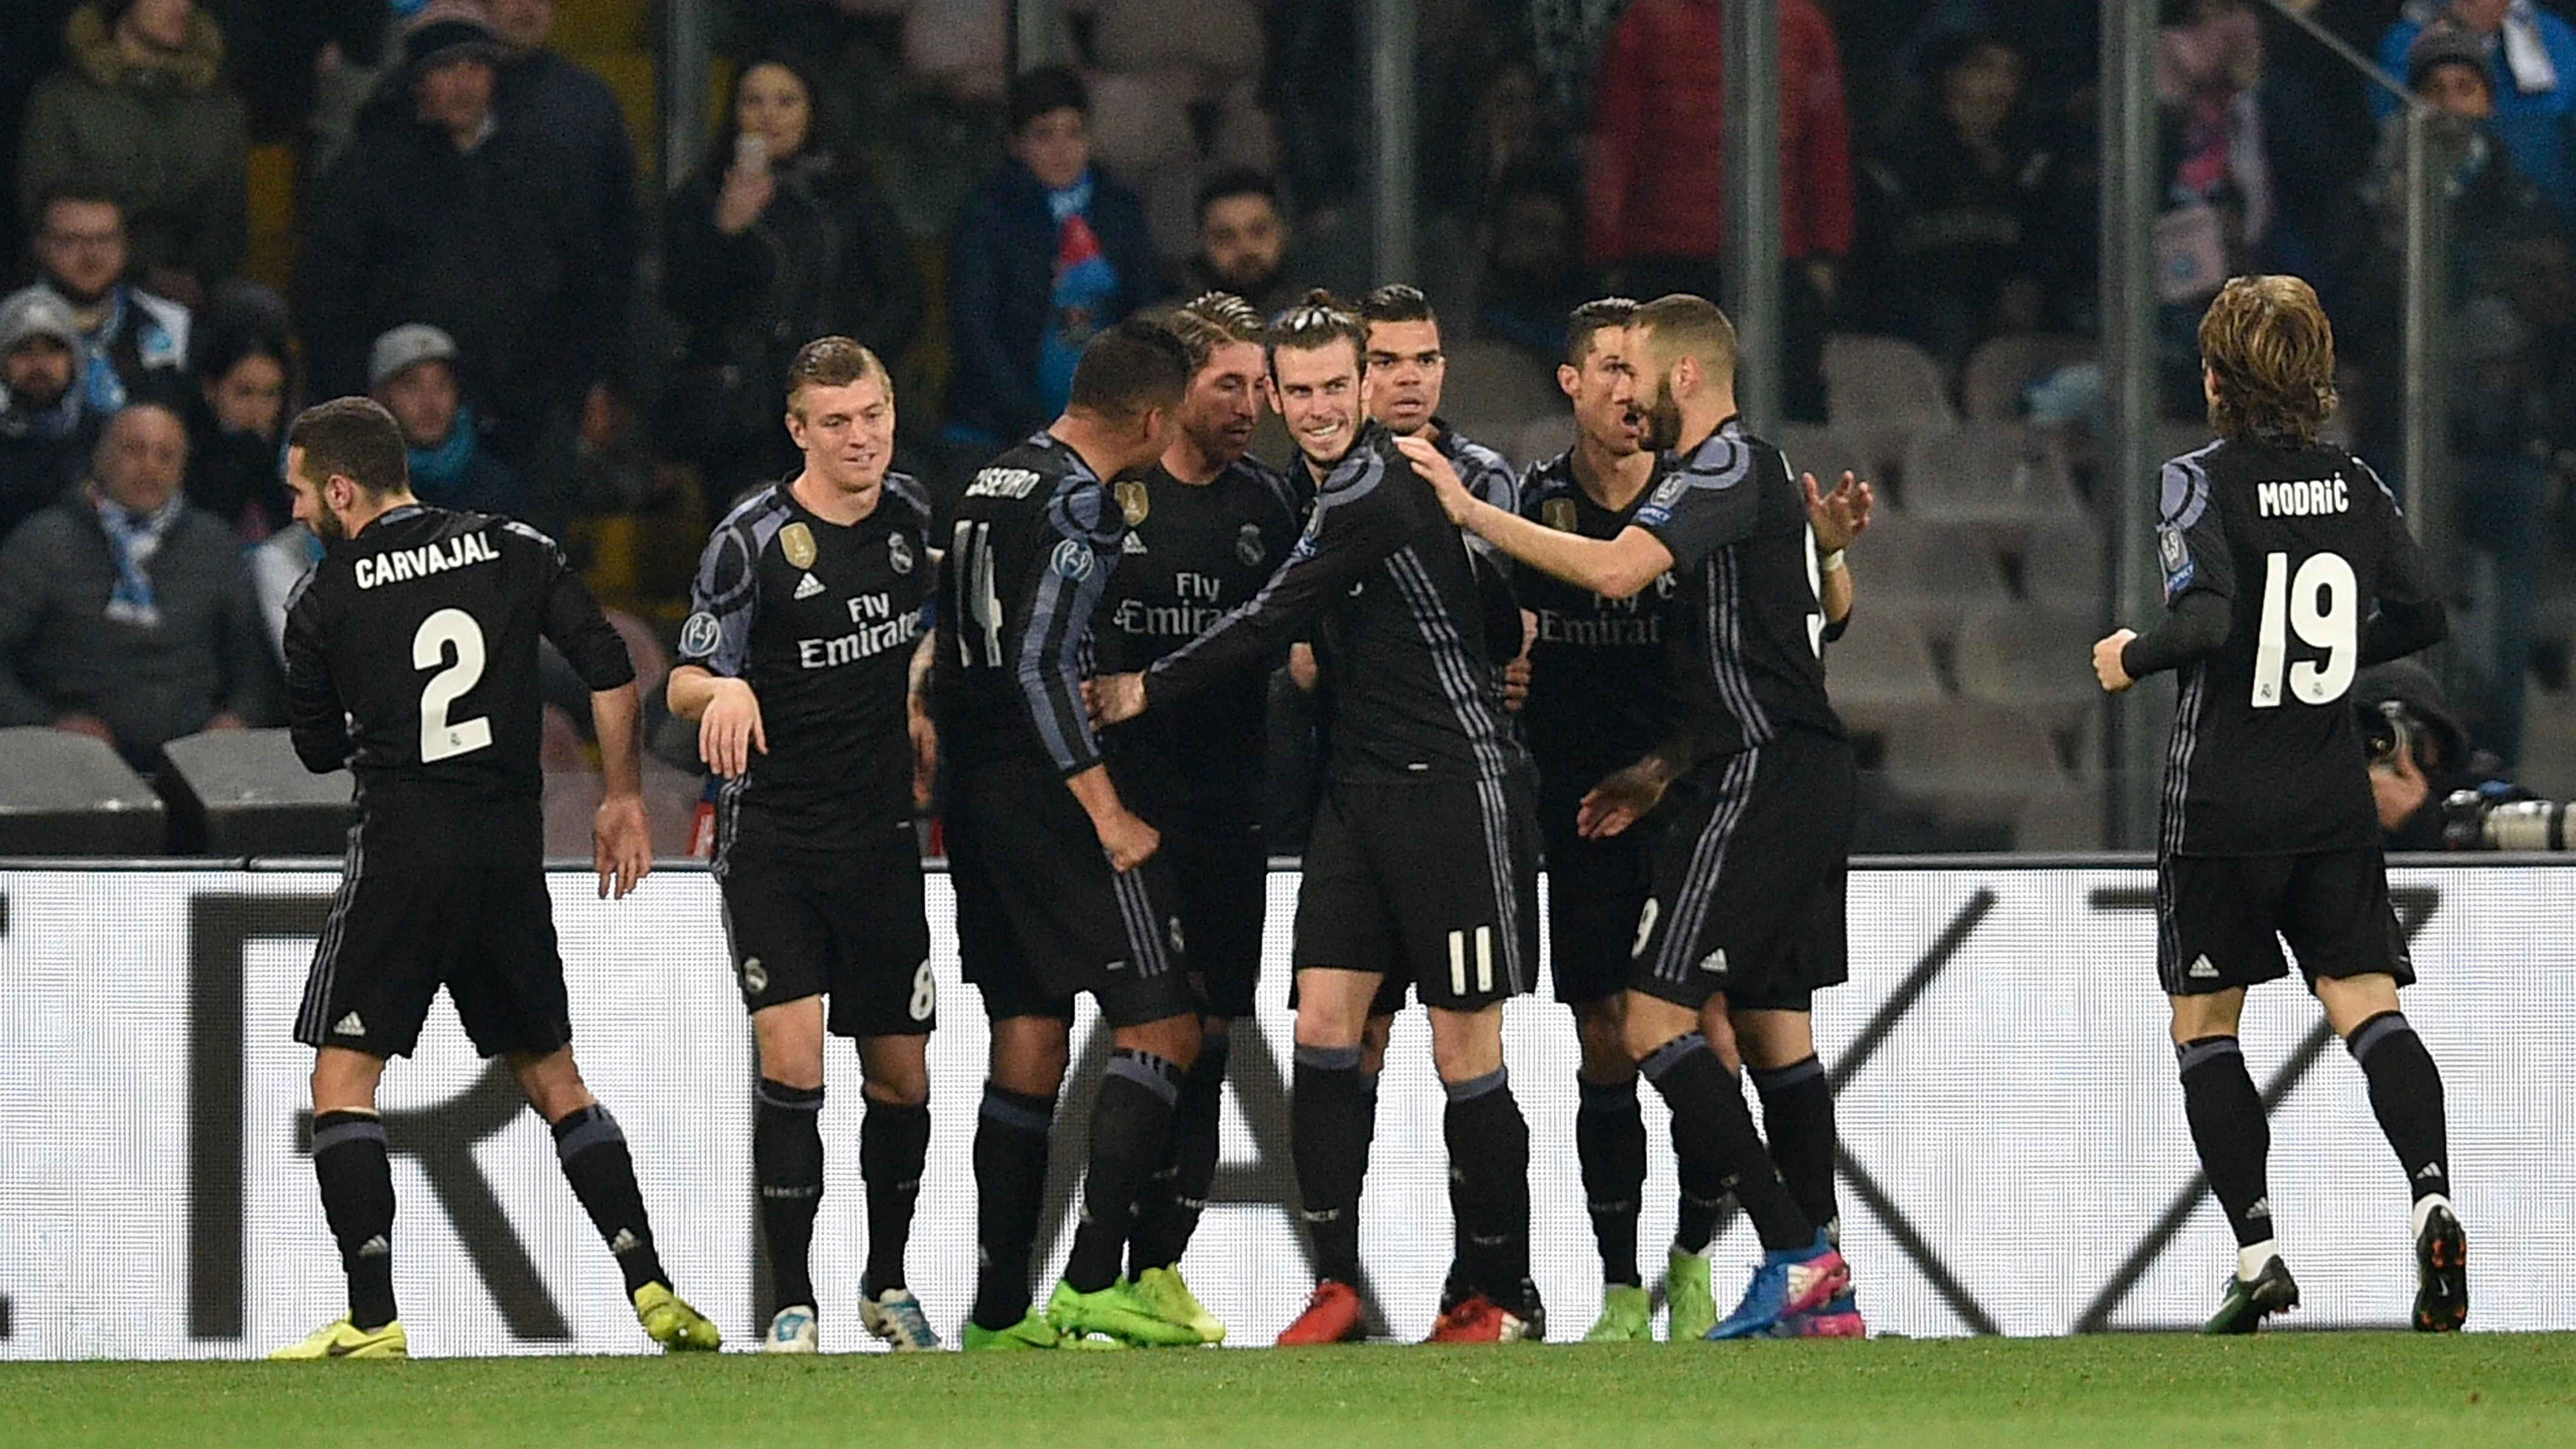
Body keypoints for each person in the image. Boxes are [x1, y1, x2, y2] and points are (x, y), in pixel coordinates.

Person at [1407, 293, 1865, 1340]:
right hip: (1765, 770)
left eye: (1641, 371)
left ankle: (1800, 1257)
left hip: (1758, 771)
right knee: (1687, 1024)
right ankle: (1809, 1277)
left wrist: (1468, 509)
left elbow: (1617, 572)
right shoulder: (1754, 474)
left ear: (1686, 378)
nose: (1629, 392)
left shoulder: (1717, 469)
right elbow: (1828, 611)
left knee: (1667, 1021)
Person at [1094, 293, 1545, 1345]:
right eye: (1293, 392)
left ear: (1363, 386)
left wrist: (1142, 690)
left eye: (1333, 386)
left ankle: (1500, 1291)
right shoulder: (1312, 490)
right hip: (1355, 792)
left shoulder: (1377, 484)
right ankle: (1336, 1285)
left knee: (1462, 1048)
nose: (1314, 408)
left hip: (1451, 787)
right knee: (1322, 1031)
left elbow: (1269, 620)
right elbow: (1482, 613)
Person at [268, 396, 719, 1359]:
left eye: (305, 494)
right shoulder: (514, 546)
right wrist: (624, 797)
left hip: (403, 854)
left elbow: (312, 751)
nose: (302, 513)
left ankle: (374, 1317)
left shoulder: (323, 596)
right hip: (507, 857)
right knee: (556, 1077)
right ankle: (651, 1287)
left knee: (343, 1082)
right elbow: (607, 664)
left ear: (342, 489)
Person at [2088, 274, 2463, 1335]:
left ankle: (2256, 1249)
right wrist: (2337, 654)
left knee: (2206, 1026)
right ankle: (2431, 1194)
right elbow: (2423, 611)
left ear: (2215, 378)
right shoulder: (2354, 483)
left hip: (2219, 805)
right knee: (2368, 1006)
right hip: (2329, 797)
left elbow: (2202, 624)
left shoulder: (2194, 483)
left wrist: (2129, 657)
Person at [934, 317, 1207, 1350]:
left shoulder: (986, 479)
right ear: (1147, 416)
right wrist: (1107, 809)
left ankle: (997, 1314)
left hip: (977, 796)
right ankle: (1094, 1281)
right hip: (1052, 794)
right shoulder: (1079, 501)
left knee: (1027, 1035)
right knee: (1163, 1025)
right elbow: (1043, 665)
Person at [666, 337, 941, 1353]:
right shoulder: (752, 538)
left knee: (900, 1077)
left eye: (871, 413)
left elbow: (942, 615)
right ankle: (791, 1303)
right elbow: (684, 679)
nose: (859, 436)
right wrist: (724, 686)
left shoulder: (913, 514)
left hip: (879, 837)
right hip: (775, 834)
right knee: (793, 1061)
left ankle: (888, 1281)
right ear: (799, 431)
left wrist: (921, 679)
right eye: (836, 422)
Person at [1090, 294, 1304, 1344]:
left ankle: (1155, 1272)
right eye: (1232, 384)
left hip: (1232, 815)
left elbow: (1305, 638)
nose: (1252, 406)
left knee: (1212, 1035)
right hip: (1130, 815)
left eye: (1262, 386)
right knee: (1152, 1033)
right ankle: (1092, 1269)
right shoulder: (1108, 504)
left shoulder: (1270, 506)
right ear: (1175, 390)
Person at [295, 7, 609, 535]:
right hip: (404, 421)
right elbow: (329, 295)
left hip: (525, 413)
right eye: (446, 68)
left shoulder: (540, 168)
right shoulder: (369, 173)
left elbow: (582, 284)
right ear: (418, 81)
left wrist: (567, 384)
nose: (463, 83)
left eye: (476, 66)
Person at [662, 53, 923, 505]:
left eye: (786, 101)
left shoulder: (850, 192)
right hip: (742, 417)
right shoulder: (702, 195)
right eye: (753, 102)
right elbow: (682, 303)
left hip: (836, 413)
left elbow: (902, 298)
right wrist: (725, 234)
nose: (769, 116)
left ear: (811, 109)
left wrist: (849, 369)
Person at [1584, 0, 1852, 422]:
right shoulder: (1647, 23)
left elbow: (1826, 146)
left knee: (1786, 419)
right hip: (1665, 259)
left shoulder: (1803, 26)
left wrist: (1826, 254)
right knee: (1659, 426)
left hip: (1777, 262)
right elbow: (1616, 146)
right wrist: (1611, 255)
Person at [0, 399, 274, 770]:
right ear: (99, 457)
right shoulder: (43, 542)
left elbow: (253, 666)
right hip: (67, 764)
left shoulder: (214, 545)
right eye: (134, 450)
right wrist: (46, 725)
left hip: (198, 763)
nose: (150, 467)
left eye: (166, 456)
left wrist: (237, 719)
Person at [941, 65, 1161, 460]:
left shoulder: (1120, 210)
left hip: (1109, 430)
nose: (1062, 149)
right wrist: (1034, 425)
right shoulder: (987, 216)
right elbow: (975, 331)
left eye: (1074, 132)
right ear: (1016, 144)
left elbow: (1146, 313)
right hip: (997, 430)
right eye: (1044, 134)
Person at [14, 0, 248, 302]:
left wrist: (196, 275)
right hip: (79, 278)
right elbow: (43, 209)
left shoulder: (218, 107)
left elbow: (227, 221)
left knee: (254, 310)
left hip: (192, 288)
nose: (183, 6)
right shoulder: (64, 100)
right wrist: (137, 274)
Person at [2376, 0, 2576, 218]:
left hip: (2546, 213)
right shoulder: (2407, 40)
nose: (2450, 102)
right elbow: (2392, 122)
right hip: (2443, 210)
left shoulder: (2554, 37)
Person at [1357, 285, 1519, 517]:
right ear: (1354, 375)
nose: (1410, 378)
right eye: (1386, 362)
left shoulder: (1484, 476)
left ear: (1441, 370)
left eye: (1425, 361)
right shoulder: (1325, 466)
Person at [28, 190, 190, 415]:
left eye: (104, 240)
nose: (91, 255)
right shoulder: (6, 323)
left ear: (126, 245)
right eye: (72, 241)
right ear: (40, 246)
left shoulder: (170, 323)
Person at [367, 323, 520, 518]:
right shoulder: (360, 492)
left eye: (442, 385)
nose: (429, 403)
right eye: (411, 386)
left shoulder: (497, 487)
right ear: (380, 399)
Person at [181, 291, 292, 540]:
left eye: (270, 394)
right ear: (210, 390)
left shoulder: (299, 466)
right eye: (244, 393)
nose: (257, 409)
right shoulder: (181, 461)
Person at [0, 285, 96, 541]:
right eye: (23, 351)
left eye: (53, 350)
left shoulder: (103, 440)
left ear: (75, 360)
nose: (39, 365)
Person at [1186, 170, 1301, 319]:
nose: (1245, 248)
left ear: (1282, 234)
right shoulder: (1170, 336)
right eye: (1225, 237)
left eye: (1259, 232)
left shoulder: (1331, 329)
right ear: (1202, 245)